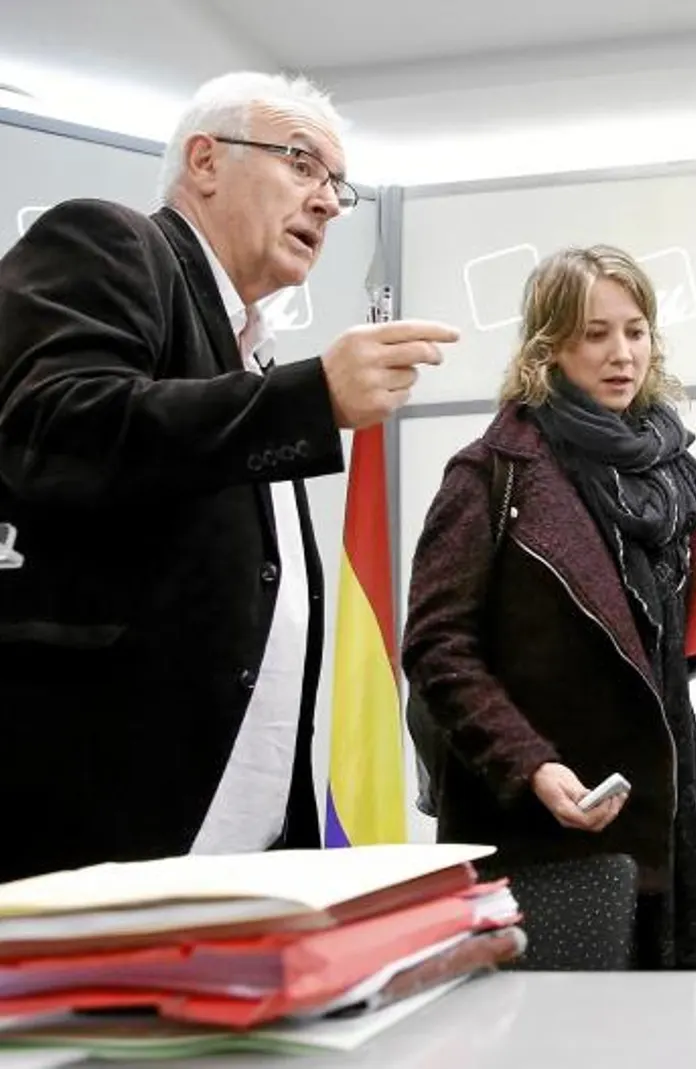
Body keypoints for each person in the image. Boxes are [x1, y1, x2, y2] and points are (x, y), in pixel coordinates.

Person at [0, 72, 455, 883]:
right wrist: (308, 398)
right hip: (103, 824)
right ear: (205, 161)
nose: (327, 202)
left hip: (239, 846)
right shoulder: (111, 243)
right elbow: (57, 428)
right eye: (301, 163)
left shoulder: (249, 349)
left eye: (338, 185)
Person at [403, 245, 696, 969]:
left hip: (661, 813)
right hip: (540, 816)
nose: (622, 353)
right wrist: (530, 766)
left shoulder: (674, 475)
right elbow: (436, 645)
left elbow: (660, 646)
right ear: (549, 347)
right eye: (595, 333)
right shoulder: (492, 472)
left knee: (664, 1035)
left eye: (636, 329)